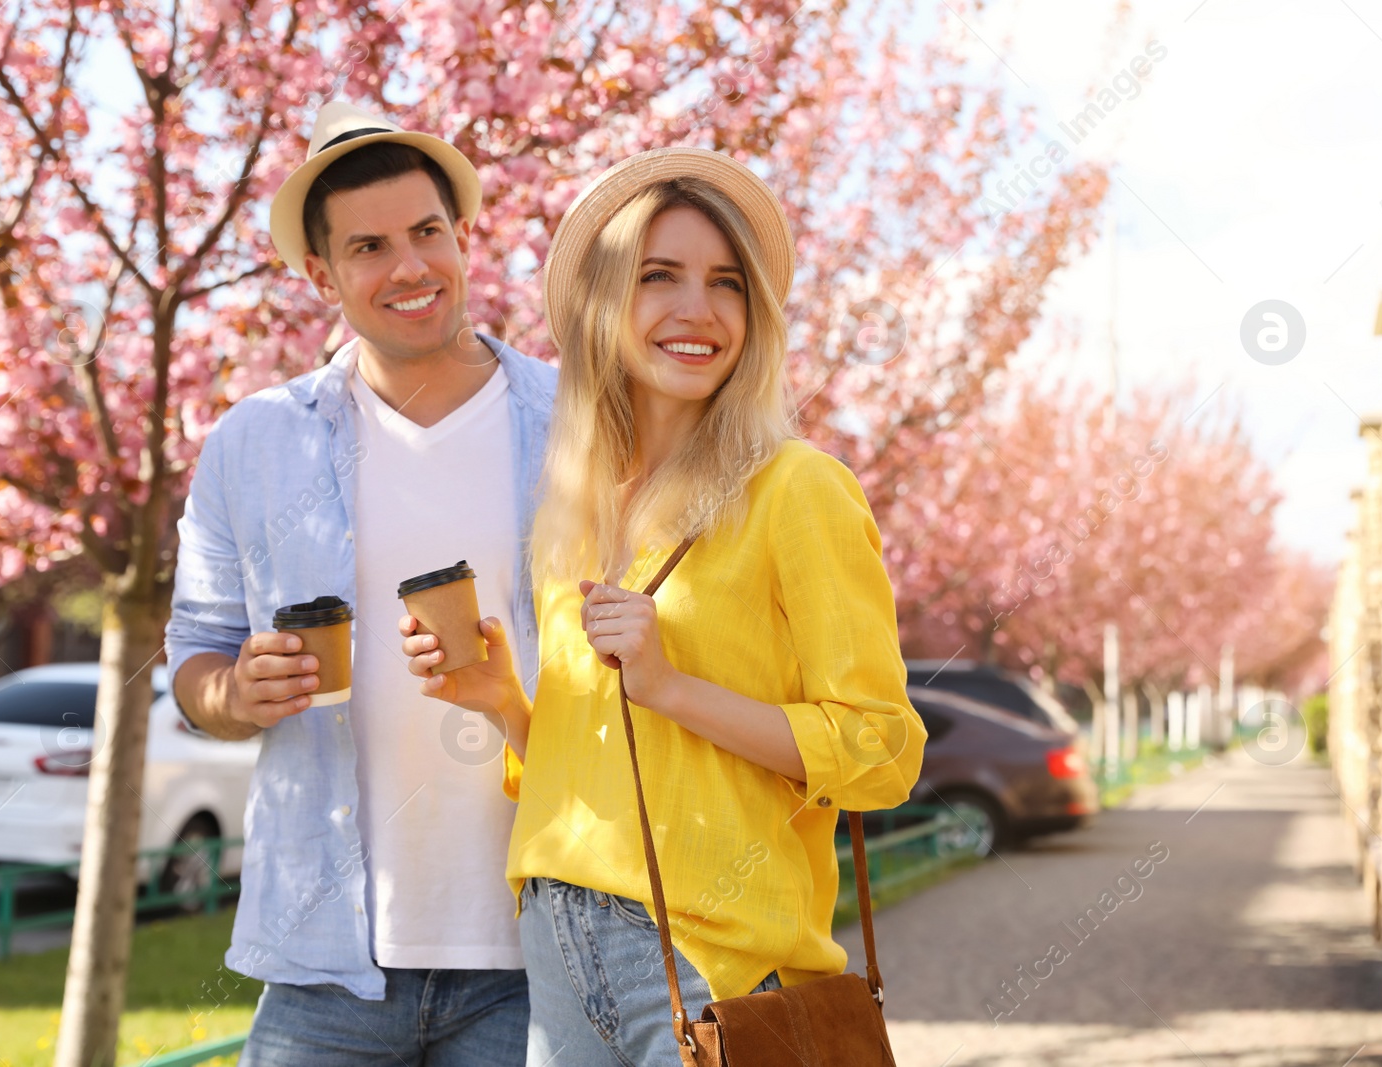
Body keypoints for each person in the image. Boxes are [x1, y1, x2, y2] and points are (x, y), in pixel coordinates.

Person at [400, 147, 925, 1066]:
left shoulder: (796, 489)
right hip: (556, 938)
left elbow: (882, 752)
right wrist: (508, 705)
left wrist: (672, 686)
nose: (698, 310)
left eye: (727, 283)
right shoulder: (580, 508)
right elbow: (609, 765)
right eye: (659, 277)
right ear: (604, 306)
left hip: (707, 954)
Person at [164, 101, 555, 1066]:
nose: (411, 267)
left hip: (539, 948)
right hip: (324, 962)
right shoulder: (255, 442)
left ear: (465, 237)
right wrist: (231, 691)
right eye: (369, 246)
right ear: (322, 274)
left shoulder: (576, 420)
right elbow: (195, 653)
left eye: (428, 233)